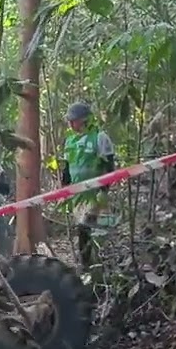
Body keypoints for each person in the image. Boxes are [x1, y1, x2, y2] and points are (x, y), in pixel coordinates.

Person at [60, 102, 117, 265]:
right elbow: (67, 168)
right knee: (82, 229)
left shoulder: (99, 137)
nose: (71, 124)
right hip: (77, 195)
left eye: (73, 120)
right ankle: (86, 264)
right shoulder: (69, 141)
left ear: (84, 120)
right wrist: (64, 190)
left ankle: (93, 265)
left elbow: (109, 166)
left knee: (90, 228)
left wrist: (104, 190)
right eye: (69, 121)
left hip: (94, 194)